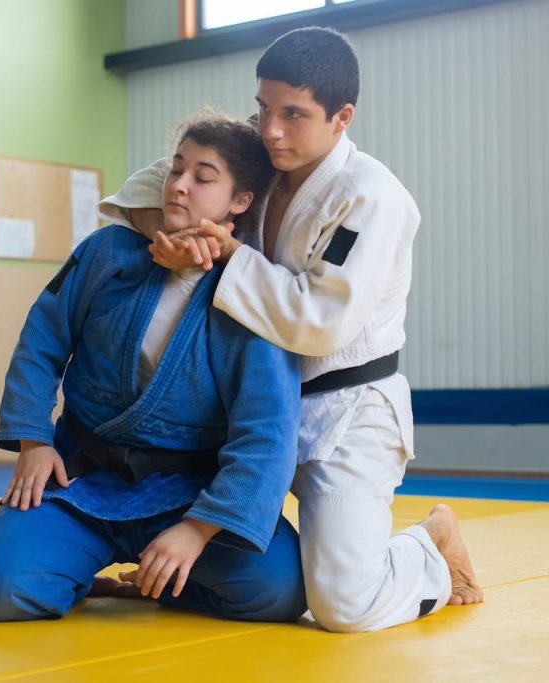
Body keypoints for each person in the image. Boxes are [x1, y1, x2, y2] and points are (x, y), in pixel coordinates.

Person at [98, 27, 484, 633]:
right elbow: (150, 187)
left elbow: (319, 321)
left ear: (342, 116)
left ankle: (429, 549)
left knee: (343, 606)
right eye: (263, 108)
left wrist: (224, 253)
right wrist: (174, 236)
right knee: (189, 521)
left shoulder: (371, 199)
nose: (271, 129)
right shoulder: (258, 157)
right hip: (243, 409)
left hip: (345, 409)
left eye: (293, 114)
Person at [0, 110, 306, 624]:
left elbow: (268, 429)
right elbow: (42, 341)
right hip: (85, 476)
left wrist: (199, 529)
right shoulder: (109, 252)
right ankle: (81, 570)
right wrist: (33, 440)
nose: (181, 186)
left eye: (203, 178)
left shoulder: (251, 290)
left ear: (240, 201)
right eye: (176, 170)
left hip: (191, 494)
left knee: (280, 591)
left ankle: (159, 582)